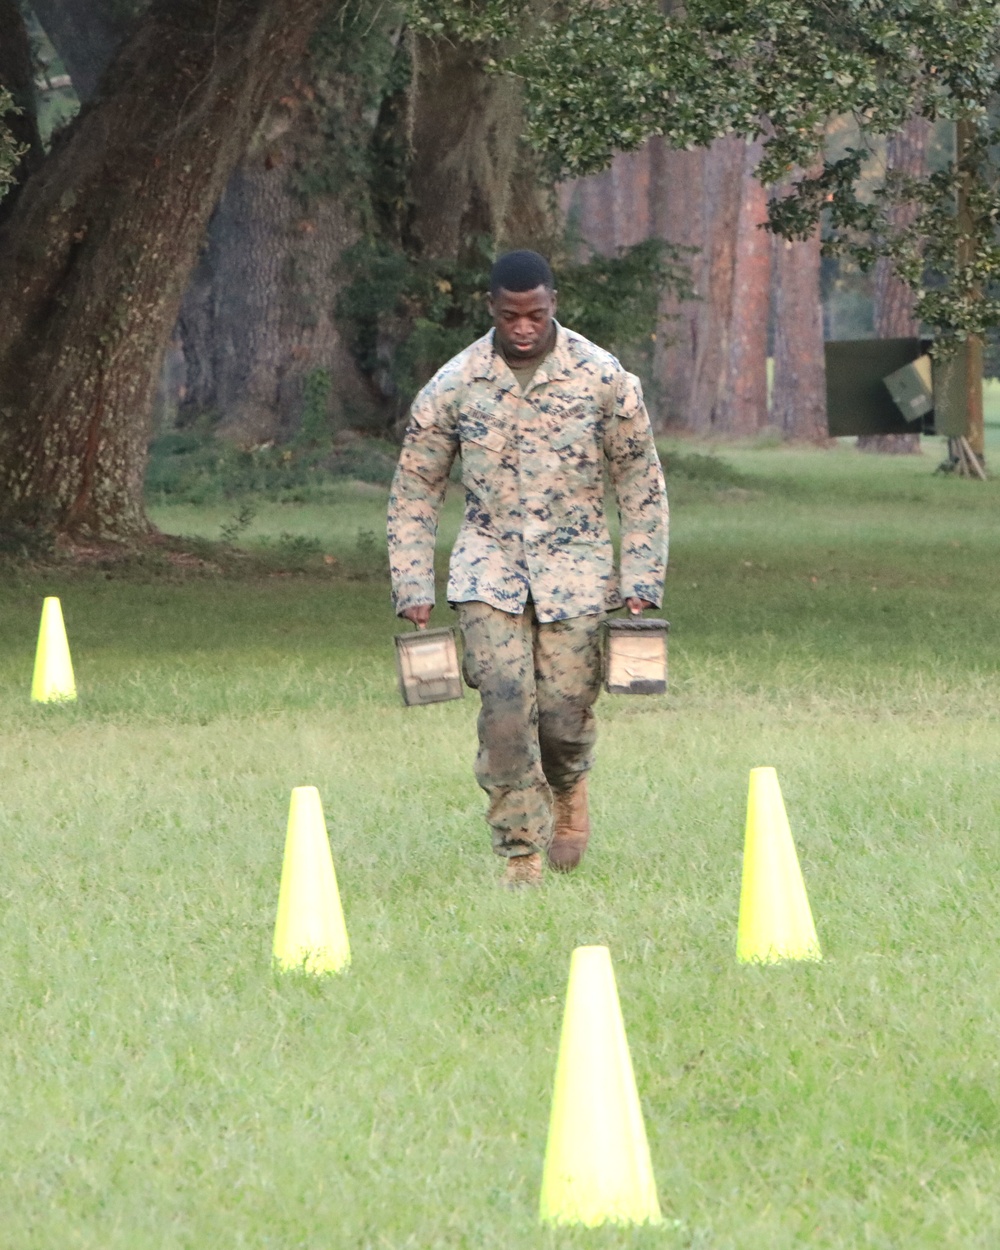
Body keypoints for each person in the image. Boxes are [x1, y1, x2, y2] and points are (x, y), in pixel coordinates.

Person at [387, 249, 668, 887]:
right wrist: (412, 582)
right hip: (489, 571)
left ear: (553, 306)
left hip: (578, 571)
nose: (523, 327)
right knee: (507, 711)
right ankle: (521, 850)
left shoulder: (602, 377)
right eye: (511, 315)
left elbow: (640, 481)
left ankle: (569, 790)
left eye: (535, 314)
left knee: (565, 717)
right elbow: (415, 490)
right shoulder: (455, 383)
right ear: (491, 308)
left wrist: (641, 579)